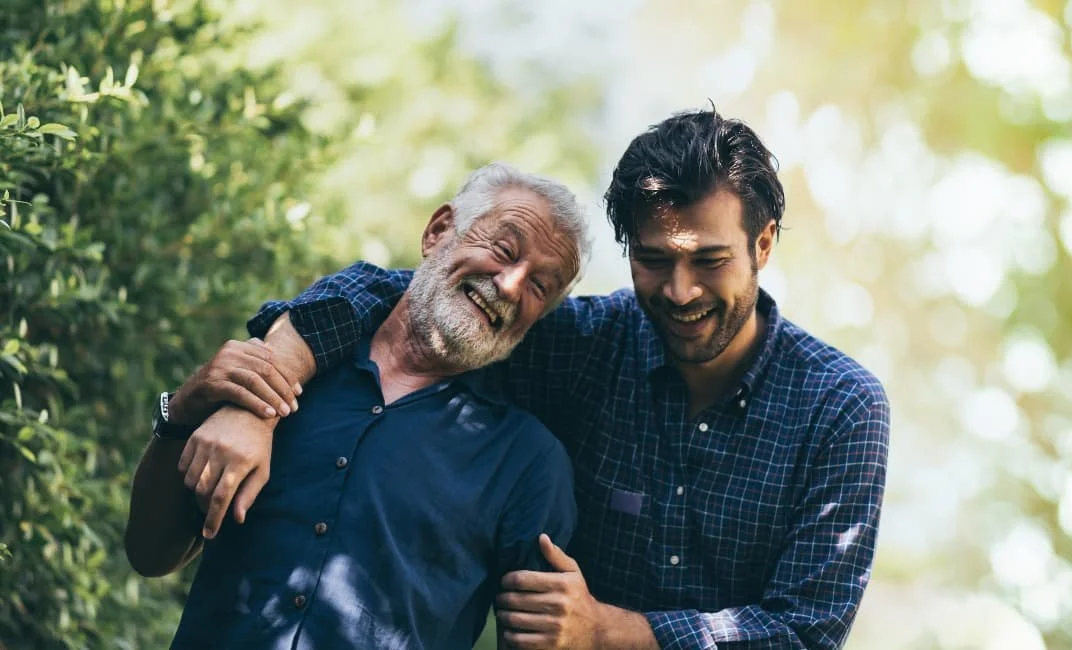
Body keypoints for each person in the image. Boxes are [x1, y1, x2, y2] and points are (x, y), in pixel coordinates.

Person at [178, 109, 891, 650]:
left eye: (708, 261)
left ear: (761, 244)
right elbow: (409, 297)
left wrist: (610, 629)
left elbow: (806, 630)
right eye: (652, 260)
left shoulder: (841, 408)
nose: (678, 292)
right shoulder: (584, 346)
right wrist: (264, 390)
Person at [125, 162, 591, 648]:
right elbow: (150, 553)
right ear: (438, 231)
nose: (512, 286)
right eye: (503, 249)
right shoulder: (282, 368)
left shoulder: (530, 464)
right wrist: (180, 412)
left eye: (540, 286)